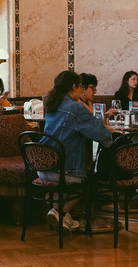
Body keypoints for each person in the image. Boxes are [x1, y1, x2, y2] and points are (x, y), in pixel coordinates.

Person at [41, 70, 113, 232]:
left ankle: (64, 219)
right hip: (62, 169)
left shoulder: (52, 104)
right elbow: (100, 134)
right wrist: (110, 136)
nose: (81, 90)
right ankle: (58, 211)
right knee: (87, 184)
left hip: (43, 166)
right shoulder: (75, 108)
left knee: (68, 183)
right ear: (74, 86)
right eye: (80, 87)